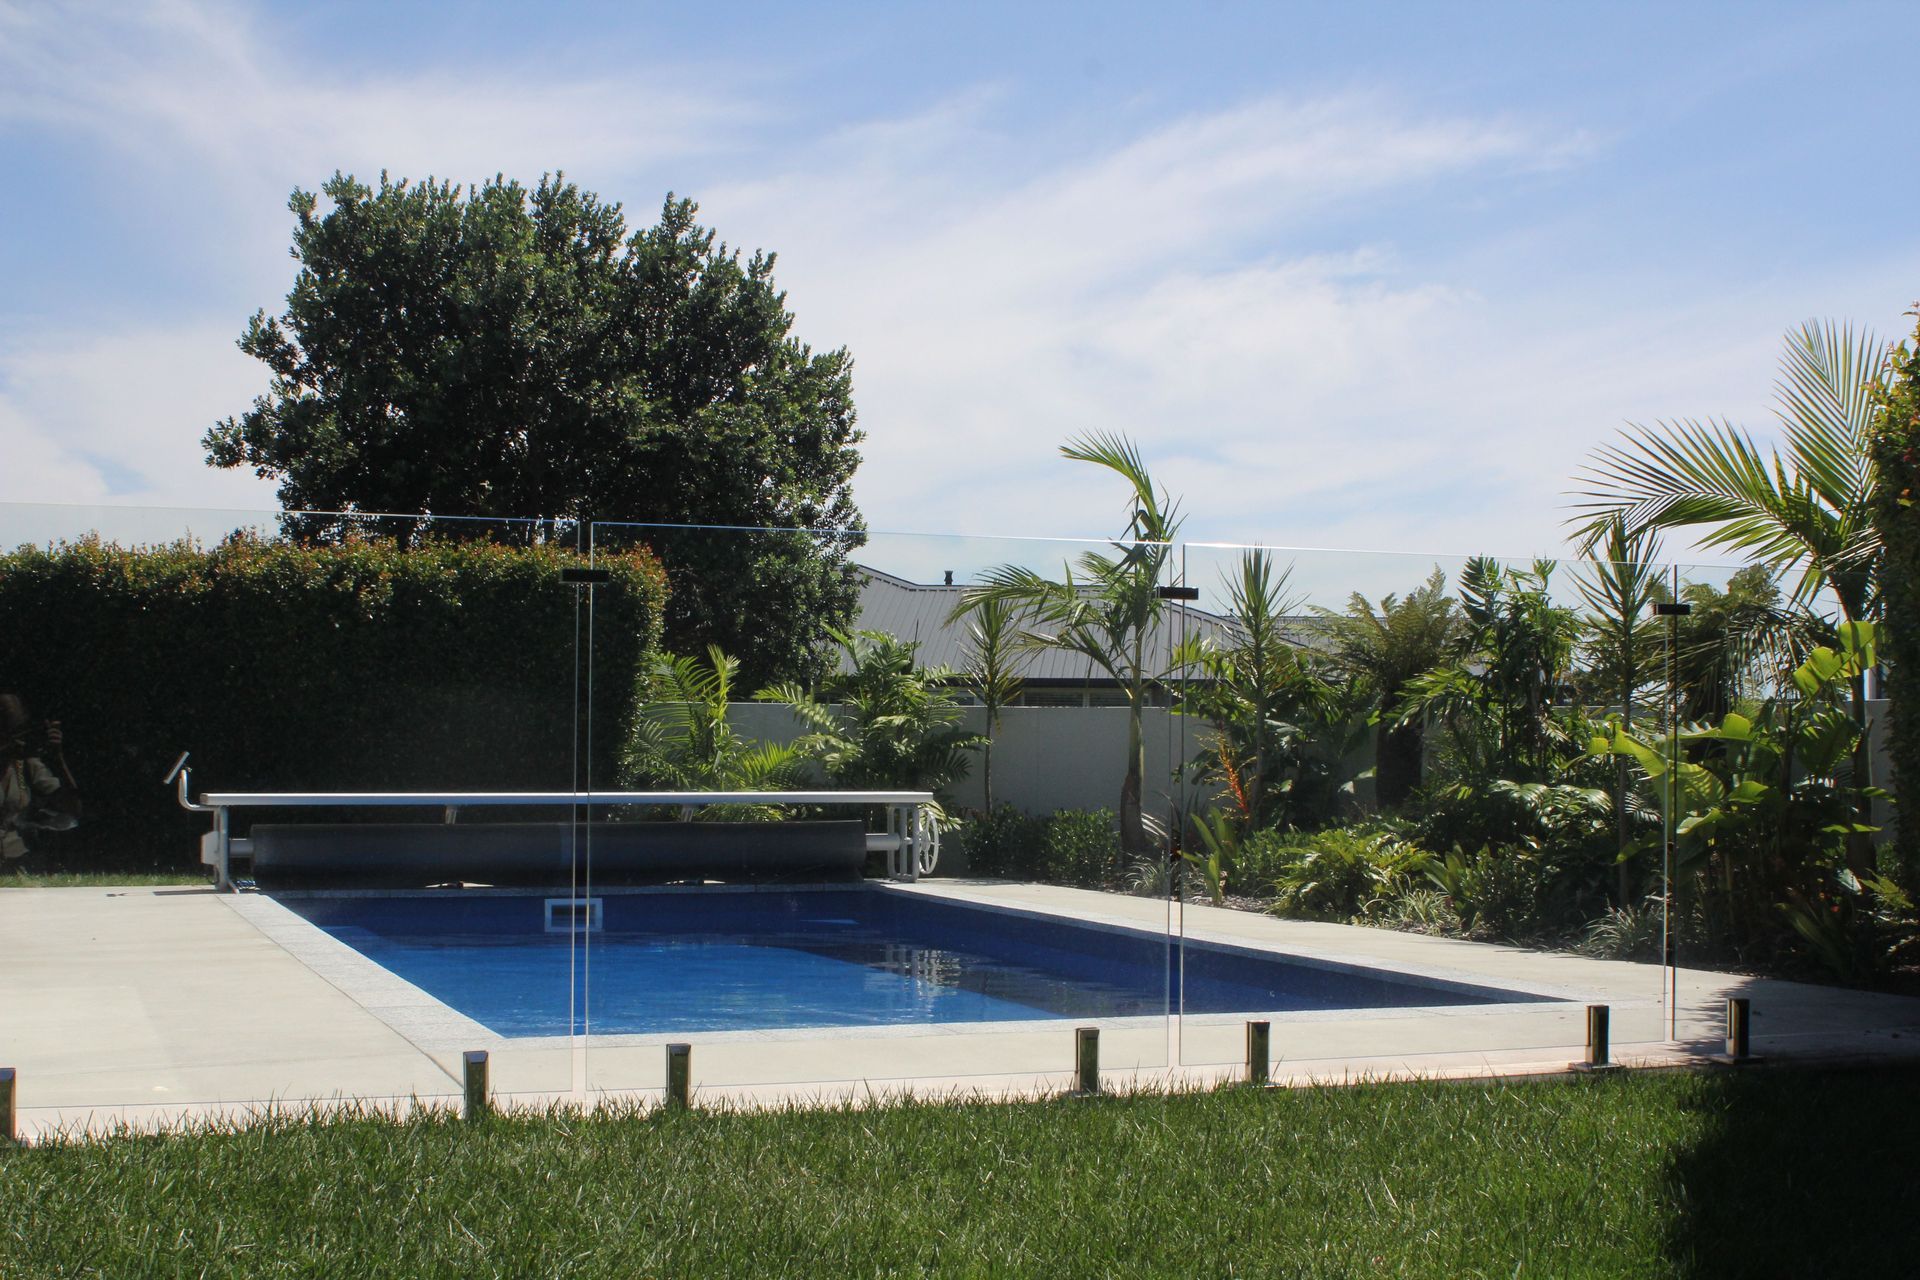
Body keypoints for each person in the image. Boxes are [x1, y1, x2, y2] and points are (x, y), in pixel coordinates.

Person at [1, 693, 79, 866]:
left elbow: (73, 811)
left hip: (20, 862)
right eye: (11, 733)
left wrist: (57, 757)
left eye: (22, 732)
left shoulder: (26, 766)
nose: (20, 742)